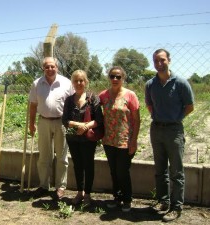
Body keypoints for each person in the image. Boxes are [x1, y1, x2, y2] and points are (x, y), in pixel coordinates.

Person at [145, 49, 194, 222]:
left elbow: (189, 106)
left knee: (176, 171)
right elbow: (150, 106)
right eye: (156, 60)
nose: (159, 63)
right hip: (156, 130)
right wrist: (161, 118)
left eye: (162, 60)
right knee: (160, 170)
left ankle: (176, 207)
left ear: (169, 60)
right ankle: (163, 201)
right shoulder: (150, 84)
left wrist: (175, 118)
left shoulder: (180, 83)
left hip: (174, 131)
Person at [29, 56, 74, 200]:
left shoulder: (66, 83)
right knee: (44, 156)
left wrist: (73, 123)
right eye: (47, 66)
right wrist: (31, 123)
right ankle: (43, 185)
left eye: (52, 66)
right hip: (43, 122)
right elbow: (33, 105)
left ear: (57, 67)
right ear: (43, 68)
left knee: (61, 156)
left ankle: (60, 187)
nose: (50, 69)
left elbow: (73, 104)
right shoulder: (37, 84)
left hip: (62, 122)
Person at [99, 66, 140, 212]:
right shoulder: (103, 95)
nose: (115, 79)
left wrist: (134, 141)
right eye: (112, 76)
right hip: (109, 140)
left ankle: (127, 199)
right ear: (109, 78)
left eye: (118, 77)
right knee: (113, 171)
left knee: (122, 171)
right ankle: (117, 198)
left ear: (123, 78)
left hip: (125, 140)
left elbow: (136, 120)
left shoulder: (130, 96)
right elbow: (96, 112)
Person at [62, 70, 104, 206]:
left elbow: (98, 120)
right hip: (73, 138)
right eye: (76, 81)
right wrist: (78, 125)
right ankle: (79, 192)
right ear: (72, 83)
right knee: (77, 165)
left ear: (86, 82)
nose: (79, 83)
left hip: (88, 139)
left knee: (88, 165)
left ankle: (88, 194)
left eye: (81, 80)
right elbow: (65, 120)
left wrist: (85, 127)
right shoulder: (69, 100)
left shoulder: (93, 98)